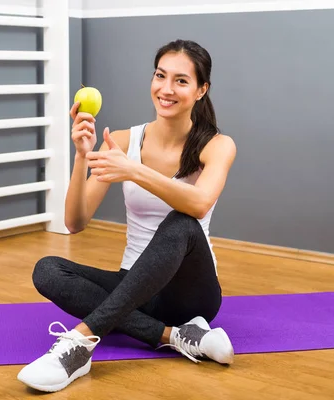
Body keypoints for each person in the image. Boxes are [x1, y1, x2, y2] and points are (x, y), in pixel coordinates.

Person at [17, 39, 237, 393]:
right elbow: (75, 222)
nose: (166, 89)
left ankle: (79, 345)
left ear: (201, 90)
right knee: (48, 270)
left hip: (191, 294)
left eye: (181, 81)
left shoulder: (217, 144)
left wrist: (133, 171)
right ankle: (176, 337)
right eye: (160, 76)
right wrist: (81, 157)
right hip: (136, 289)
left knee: (182, 223)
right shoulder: (121, 141)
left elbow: (198, 204)